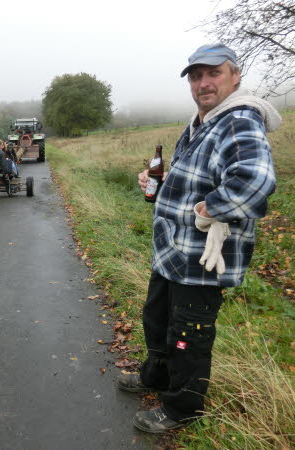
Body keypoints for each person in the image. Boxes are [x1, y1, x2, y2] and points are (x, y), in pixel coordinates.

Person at [119, 43, 282, 433]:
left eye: (214, 73)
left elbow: (254, 181)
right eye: (196, 76)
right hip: (172, 254)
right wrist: (156, 187)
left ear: (235, 76)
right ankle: (156, 377)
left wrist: (209, 210)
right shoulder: (202, 122)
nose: (203, 83)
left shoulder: (238, 120)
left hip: (202, 262)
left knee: (188, 338)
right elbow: (193, 181)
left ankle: (181, 410)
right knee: (157, 321)